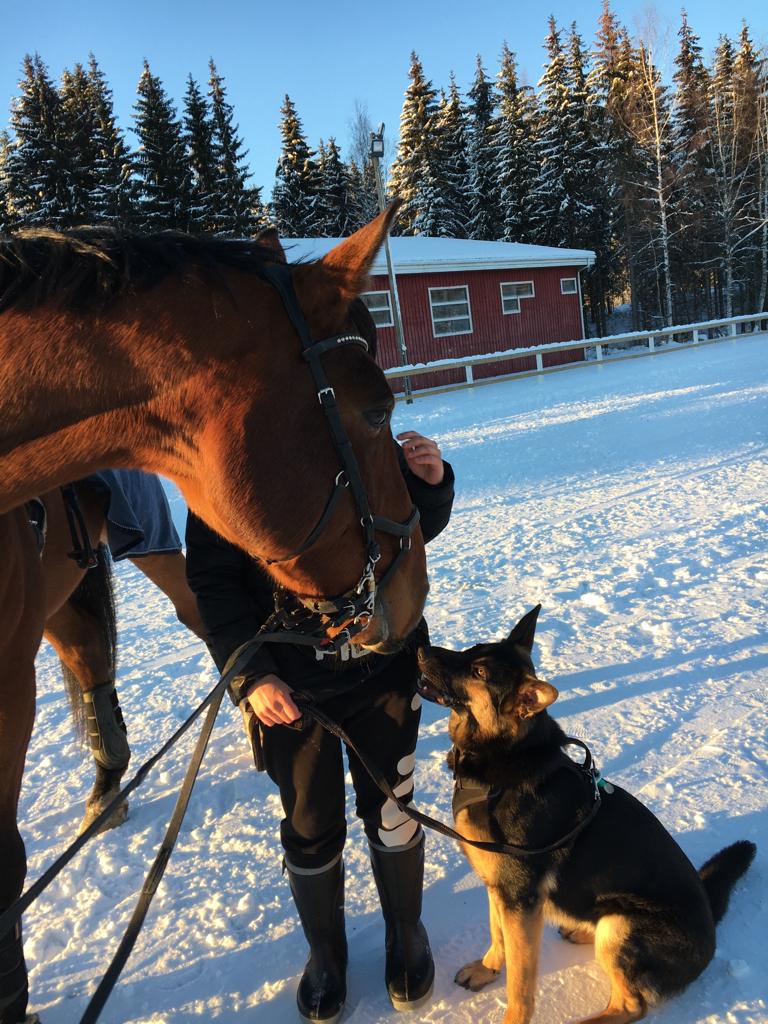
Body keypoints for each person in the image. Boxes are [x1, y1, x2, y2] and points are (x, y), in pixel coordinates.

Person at [186, 419, 454, 1023]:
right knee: (309, 821)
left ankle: (405, 930)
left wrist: (429, 487)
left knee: (393, 806)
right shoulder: (222, 459)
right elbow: (212, 578)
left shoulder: (351, 423)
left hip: (382, 666)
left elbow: (410, 533)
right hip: (288, 686)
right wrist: (250, 675)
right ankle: (326, 953)